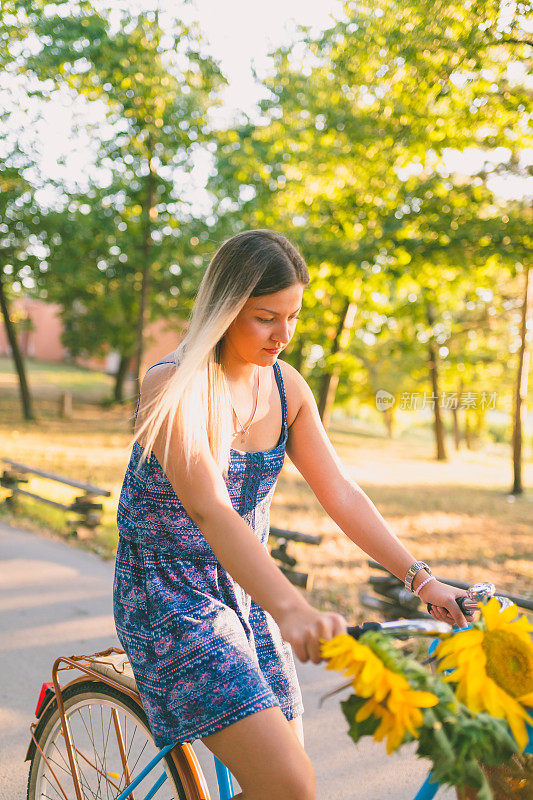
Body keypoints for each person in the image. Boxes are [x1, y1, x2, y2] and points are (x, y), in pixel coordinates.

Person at [113, 229, 470, 800]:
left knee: (280, 784)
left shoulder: (287, 387)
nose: (283, 335)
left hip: (249, 588)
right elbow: (210, 509)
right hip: (167, 595)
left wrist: (422, 579)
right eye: (265, 317)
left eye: (294, 317)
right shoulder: (174, 385)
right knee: (290, 783)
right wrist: (294, 609)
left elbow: (342, 494)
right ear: (225, 310)